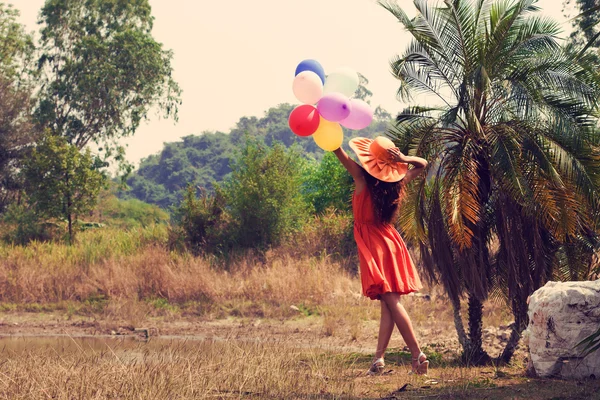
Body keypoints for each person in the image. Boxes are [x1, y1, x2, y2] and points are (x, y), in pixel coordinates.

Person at [333, 136, 429, 375]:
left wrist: (329, 134)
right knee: (388, 304)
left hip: (375, 245)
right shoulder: (397, 183)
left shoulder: (362, 180)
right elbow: (423, 164)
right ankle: (378, 360)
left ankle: (418, 354)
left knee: (392, 301)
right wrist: (405, 159)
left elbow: (339, 152)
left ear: (370, 161)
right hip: (391, 242)